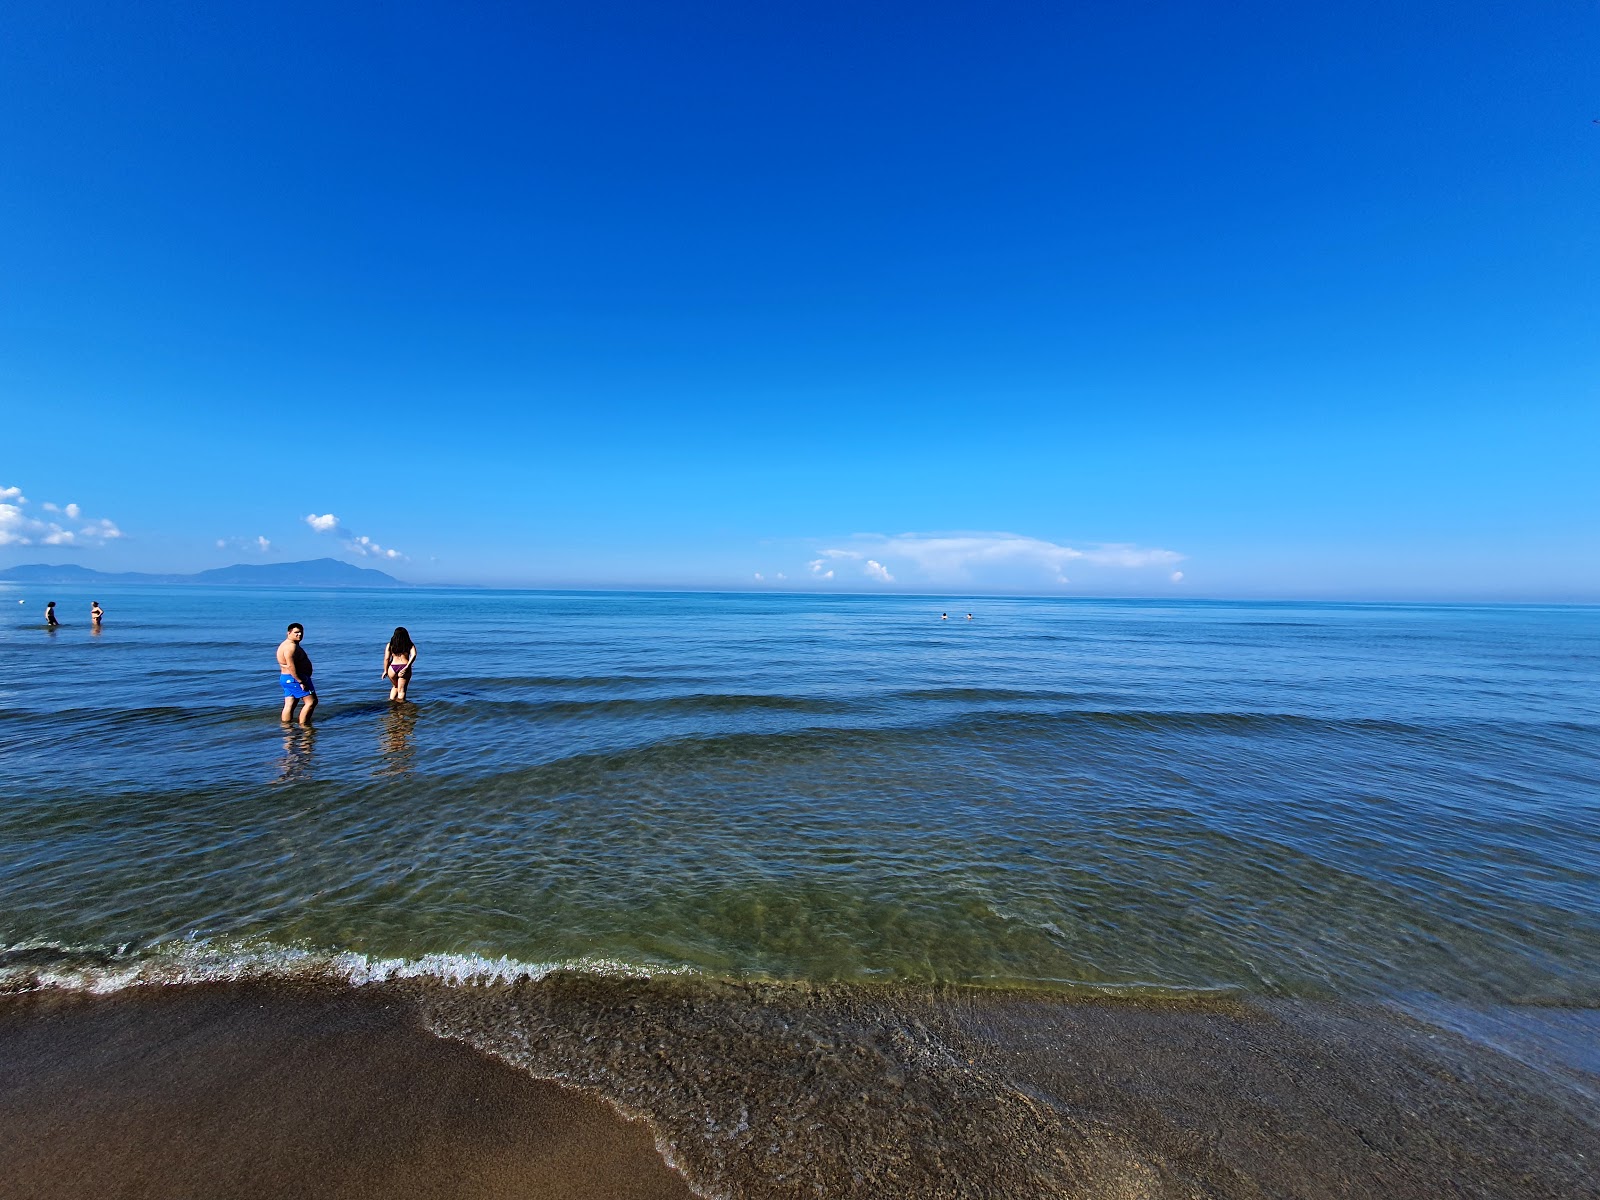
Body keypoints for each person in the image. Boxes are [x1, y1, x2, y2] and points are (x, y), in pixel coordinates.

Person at [276, 622, 316, 725]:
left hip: (286, 678)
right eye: (296, 632)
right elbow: (290, 666)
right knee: (311, 702)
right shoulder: (291, 647)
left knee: (290, 703)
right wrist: (300, 681)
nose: (299, 635)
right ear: (288, 633)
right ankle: (304, 726)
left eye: (301, 632)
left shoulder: (285, 645)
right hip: (294, 678)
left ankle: (287, 728)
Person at [382, 626, 418, 701]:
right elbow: (414, 655)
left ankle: (392, 706)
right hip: (404, 667)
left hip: (392, 668)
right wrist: (408, 666)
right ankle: (401, 710)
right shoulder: (409, 644)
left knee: (395, 687)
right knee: (402, 691)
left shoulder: (390, 645)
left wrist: (385, 670)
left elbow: (386, 659)